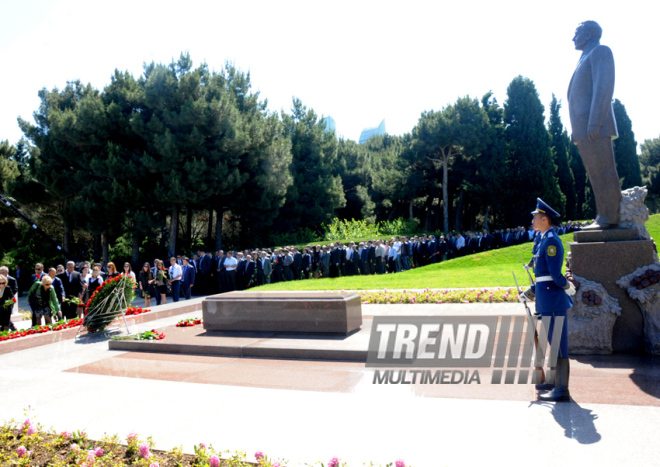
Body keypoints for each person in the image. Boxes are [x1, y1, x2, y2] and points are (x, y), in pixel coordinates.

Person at [519, 198, 576, 402]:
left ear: (545, 219)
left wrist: (567, 287)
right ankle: (554, 382)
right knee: (553, 342)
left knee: (559, 344)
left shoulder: (551, 241)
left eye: (535, 217)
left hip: (553, 298)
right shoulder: (544, 239)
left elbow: (554, 274)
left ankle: (563, 389)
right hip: (547, 298)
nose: (532, 220)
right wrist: (531, 292)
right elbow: (541, 276)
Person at [567, 21, 621, 230]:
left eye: (577, 32)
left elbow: (604, 87)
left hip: (594, 126)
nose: (573, 38)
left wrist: (595, 122)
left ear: (588, 33)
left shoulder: (600, 52)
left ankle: (610, 216)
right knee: (595, 173)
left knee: (604, 170)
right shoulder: (585, 57)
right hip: (584, 129)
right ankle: (603, 215)